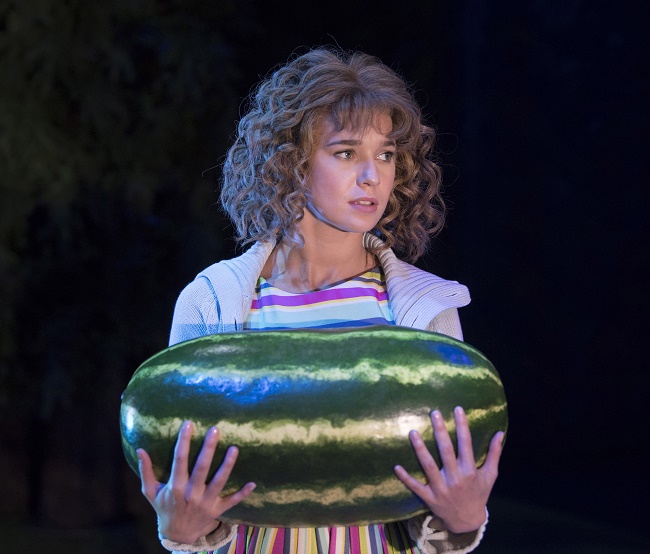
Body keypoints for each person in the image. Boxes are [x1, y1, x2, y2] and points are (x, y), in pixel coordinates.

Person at [137, 46, 504, 554]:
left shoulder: (424, 310)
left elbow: (438, 509)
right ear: (291, 162)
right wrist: (181, 532)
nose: (373, 176)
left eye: (386, 154)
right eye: (347, 152)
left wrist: (463, 523)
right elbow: (189, 493)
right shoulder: (212, 301)